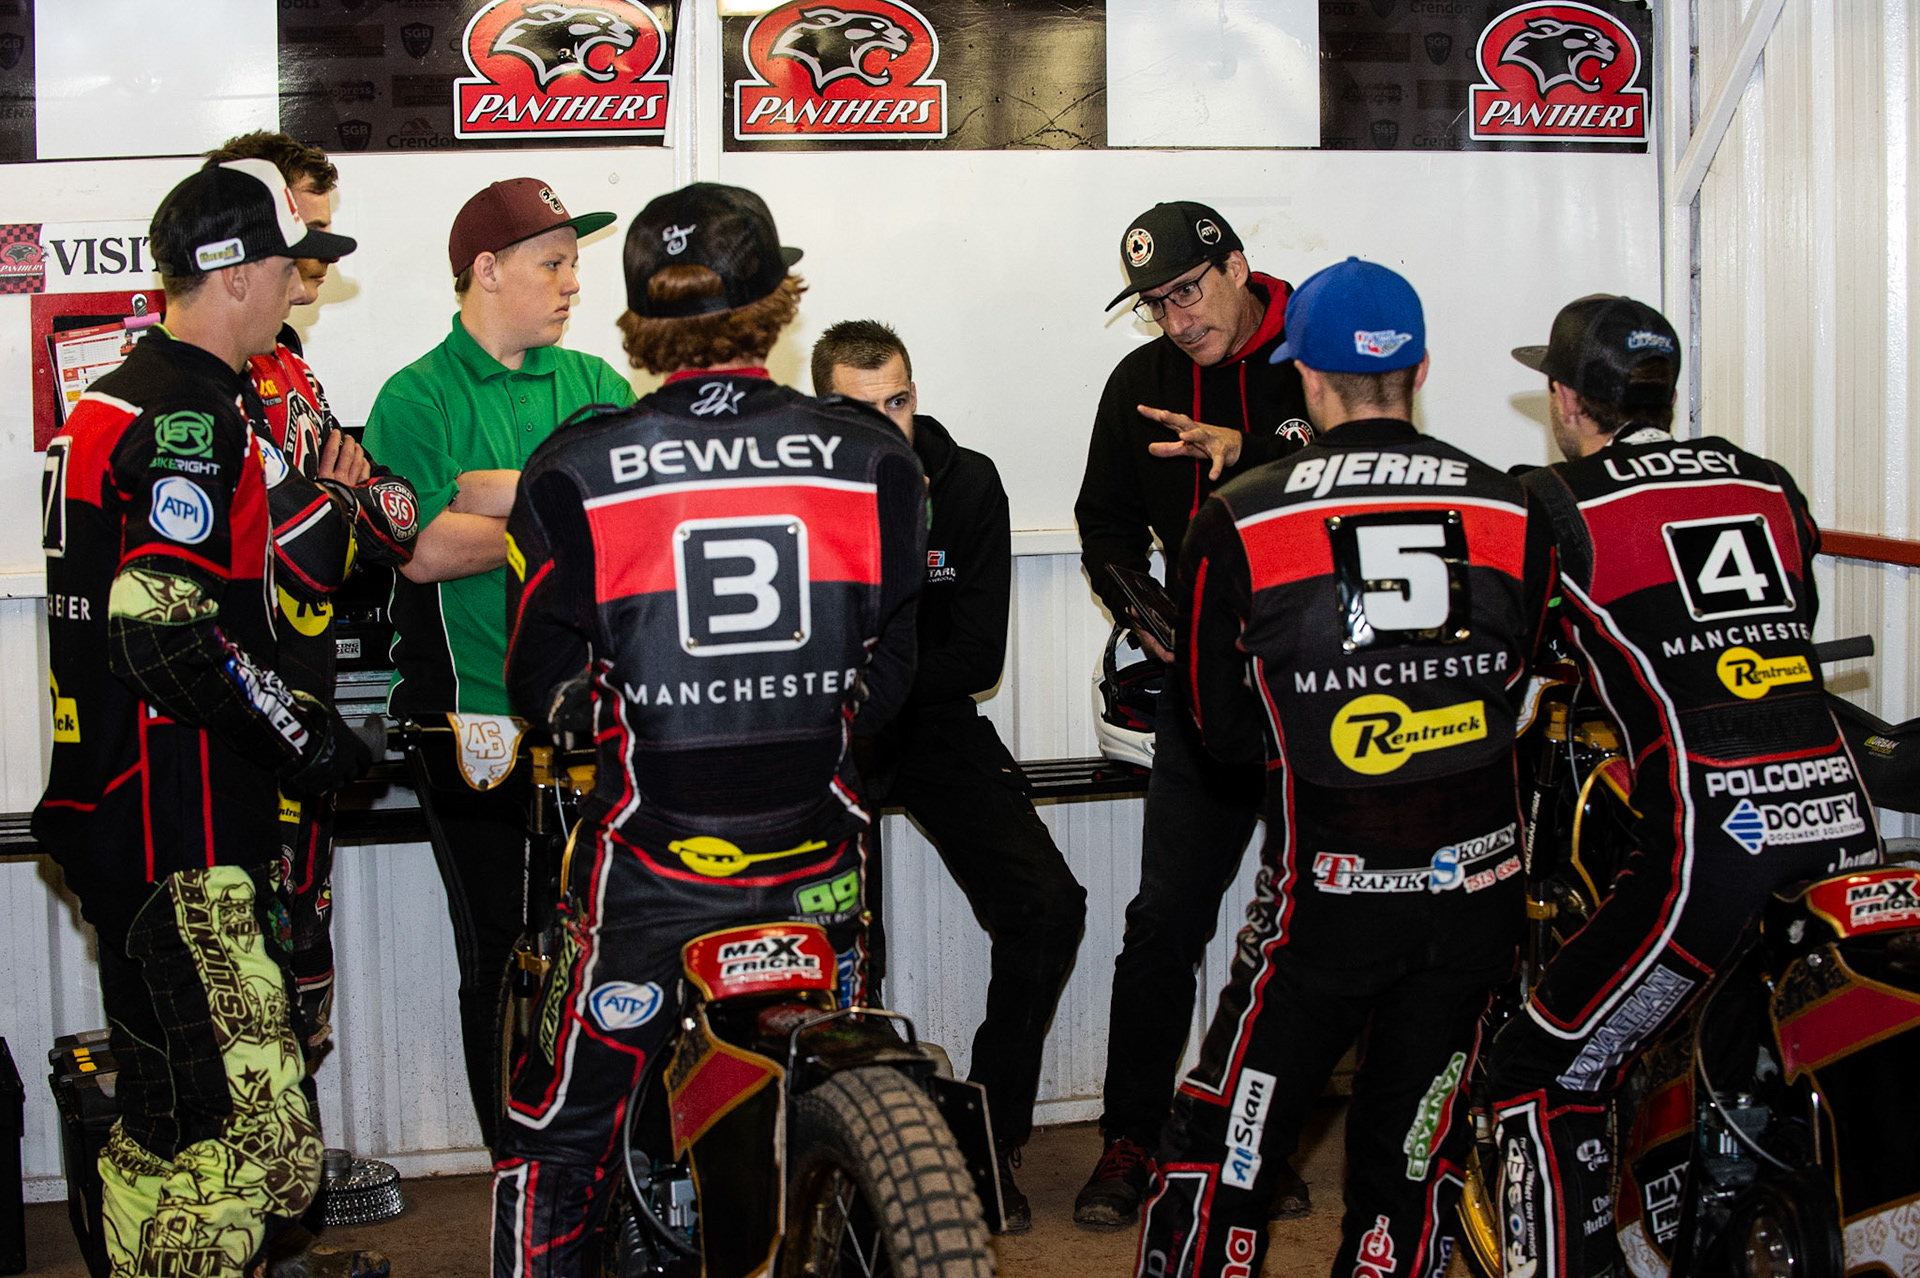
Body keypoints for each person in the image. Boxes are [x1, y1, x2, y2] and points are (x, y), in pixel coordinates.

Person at [491, 182, 926, 1276]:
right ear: (780, 301)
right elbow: (894, 677)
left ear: (639, 320)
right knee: (851, 1094)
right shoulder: (876, 459)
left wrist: (646, 717)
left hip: (650, 871)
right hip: (818, 862)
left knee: (555, 1139)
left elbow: (540, 689)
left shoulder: (575, 468)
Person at [1135, 257, 1557, 1278]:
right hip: (1479, 892)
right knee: (1411, 1156)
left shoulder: (1237, 514)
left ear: (1310, 383)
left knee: (1230, 1144)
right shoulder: (1518, 509)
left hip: (1329, 895)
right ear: (1417, 370)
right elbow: (1528, 688)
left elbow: (1213, 726)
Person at [1490, 296, 1883, 1278]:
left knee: (1540, 1064)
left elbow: (1523, 648)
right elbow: (1784, 615)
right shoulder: (1768, 483)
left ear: (1566, 396)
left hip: (1715, 853)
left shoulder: (1556, 501)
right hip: (1842, 823)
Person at [33, 158, 369, 1278]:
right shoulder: (187, 413)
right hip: (175, 835)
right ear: (236, 271)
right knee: (250, 1143)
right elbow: (159, 625)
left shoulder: (116, 398)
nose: (299, 285)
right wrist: (308, 740)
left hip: (120, 816)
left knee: (177, 1125)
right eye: (291, 261)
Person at [362, 177, 632, 1148]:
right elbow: (423, 551)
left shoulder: (596, 383)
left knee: (599, 947)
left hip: (591, 718)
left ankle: (598, 1158)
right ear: (486, 271)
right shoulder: (415, 396)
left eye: (573, 265)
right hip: (469, 721)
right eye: (552, 263)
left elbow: (626, 526)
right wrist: (554, 506)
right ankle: (515, 1171)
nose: (570, 286)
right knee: (500, 955)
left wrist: (495, 497)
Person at [812, 319, 1088, 1232]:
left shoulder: (965, 481)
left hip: (928, 721)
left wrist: (876, 666)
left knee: (1048, 904)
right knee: (845, 937)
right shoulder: (797, 485)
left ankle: (988, 1135)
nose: (886, 427)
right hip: (831, 731)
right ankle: (844, 1152)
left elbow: (973, 657)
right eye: (860, 410)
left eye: (898, 400)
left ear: (915, 392)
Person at [1073, 200, 1316, 1226]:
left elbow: (1365, 479)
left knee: (1306, 923)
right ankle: (1131, 1134)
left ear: (1238, 268)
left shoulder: (1317, 353)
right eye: (1154, 304)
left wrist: (1250, 452)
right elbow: (1104, 521)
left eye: (1187, 292)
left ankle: (1263, 1133)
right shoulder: (1141, 382)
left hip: (1318, 689)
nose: (1175, 320)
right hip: (1208, 689)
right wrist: (1145, 607)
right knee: (1163, 919)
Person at [205, 129, 419, 1060]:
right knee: (230, 1006)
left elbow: (394, 518)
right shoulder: (200, 378)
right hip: (231, 731)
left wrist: (340, 500)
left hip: (311, 707)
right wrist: (338, 500)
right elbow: (307, 540)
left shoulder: (289, 368)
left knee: (302, 986)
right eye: (306, 228)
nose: (317, 255)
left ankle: (286, 1187)